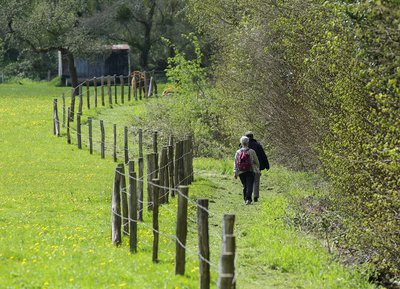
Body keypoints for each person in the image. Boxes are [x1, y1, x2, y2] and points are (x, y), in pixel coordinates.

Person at [234, 136, 260, 205]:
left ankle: (245, 199)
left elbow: (236, 162)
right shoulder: (252, 151)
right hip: (250, 170)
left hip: (241, 171)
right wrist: (257, 167)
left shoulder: (238, 152)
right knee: (250, 185)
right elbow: (257, 161)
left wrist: (235, 172)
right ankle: (248, 199)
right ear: (248, 143)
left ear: (241, 143)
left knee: (245, 185)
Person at [245, 131, 269, 202]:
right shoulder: (258, 145)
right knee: (256, 181)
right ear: (252, 137)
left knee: (248, 182)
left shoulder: (243, 145)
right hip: (256, 166)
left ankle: (248, 197)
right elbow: (263, 156)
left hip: (246, 167)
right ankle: (255, 196)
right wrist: (267, 165)